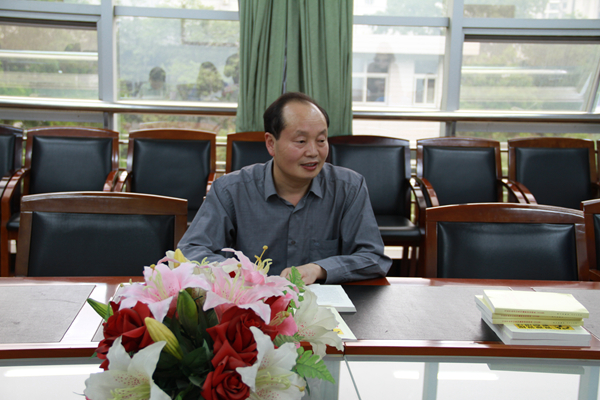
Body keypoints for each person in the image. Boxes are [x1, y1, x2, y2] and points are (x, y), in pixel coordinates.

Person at [178, 92, 392, 284]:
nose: (313, 152)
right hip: (251, 305)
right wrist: (241, 273)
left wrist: (319, 270)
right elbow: (190, 251)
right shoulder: (231, 190)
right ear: (271, 143)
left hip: (325, 307)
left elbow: (372, 257)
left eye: (321, 140)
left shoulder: (349, 188)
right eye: (300, 141)